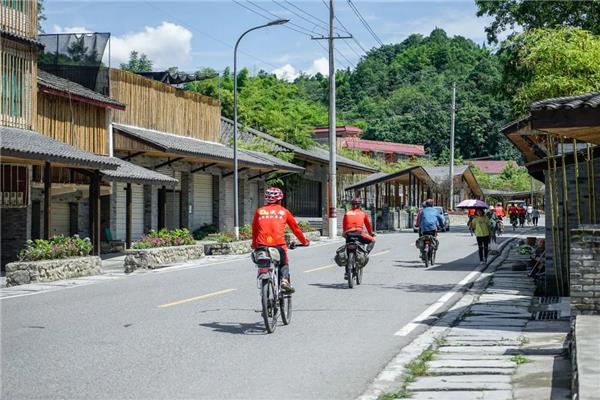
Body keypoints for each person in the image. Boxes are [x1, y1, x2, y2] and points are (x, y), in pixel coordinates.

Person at [251, 187, 309, 294]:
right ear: (280, 200)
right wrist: (304, 241)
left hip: (262, 246)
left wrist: (254, 244)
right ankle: (284, 280)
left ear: (266, 199)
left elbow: (255, 229)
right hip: (279, 245)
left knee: (263, 264)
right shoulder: (284, 211)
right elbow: (295, 229)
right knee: (284, 263)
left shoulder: (259, 211)